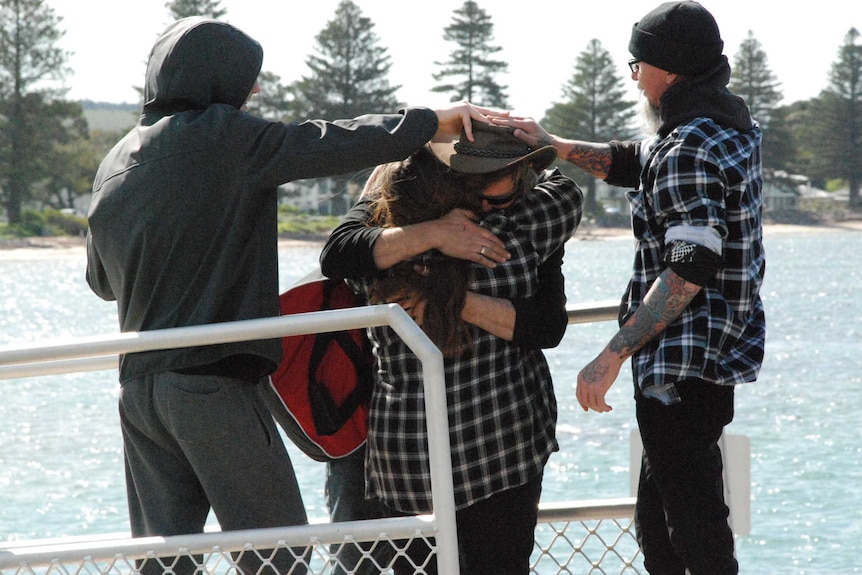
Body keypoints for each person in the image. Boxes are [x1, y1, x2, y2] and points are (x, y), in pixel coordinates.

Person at [84, 16, 498, 575]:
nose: (252, 92)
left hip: (138, 392)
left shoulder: (114, 163)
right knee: (278, 556)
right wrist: (429, 123)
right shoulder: (224, 137)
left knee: (164, 563)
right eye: (245, 80)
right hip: (213, 383)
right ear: (216, 80)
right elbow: (328, 142)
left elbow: (102, 282)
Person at [494, 2, 766, 574]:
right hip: (713, 358)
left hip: (679, 367)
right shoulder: (728, 128)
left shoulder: (687, 147)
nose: (635, 76)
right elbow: (635, 161)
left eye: (636, 64)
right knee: (660, 526)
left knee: (693, 530)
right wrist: (551, 144)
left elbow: (691, 265)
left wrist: (611, 354)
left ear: (665, 70)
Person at [319, 121, 584, 574]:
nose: (492, 205)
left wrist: (430, 239)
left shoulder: (379, 251)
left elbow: (337, 252)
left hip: (408, 461)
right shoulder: (530, 223)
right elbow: (566, 190)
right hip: (505, 444)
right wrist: (538, 144)